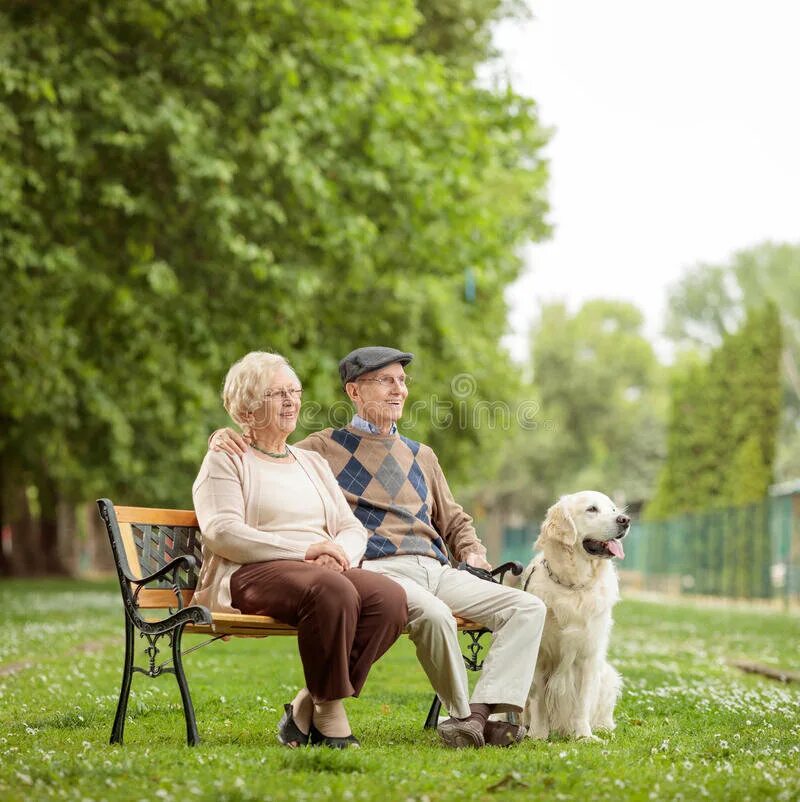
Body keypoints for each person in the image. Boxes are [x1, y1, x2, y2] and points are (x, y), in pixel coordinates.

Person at [211, 346, 546, 748]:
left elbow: (454, 519)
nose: (399, 390)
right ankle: (461, 718)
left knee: (527, 607)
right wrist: (225, 434)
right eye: (385, 380)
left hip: (436, 568)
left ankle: (477, 714)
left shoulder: (423, 455)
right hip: (379, 568)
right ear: (354, 392)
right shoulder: (322, 448)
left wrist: (472, 551)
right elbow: (269, 448)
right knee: (434, 616)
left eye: (402, 381)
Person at [193, 351, 407, 749]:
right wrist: (306, 550)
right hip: (253, 571)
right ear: (249, 404)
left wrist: (337, 552)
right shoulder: (226, 458)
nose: (292, 401)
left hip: (321, 569)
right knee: (333, 590)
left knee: (390, 598)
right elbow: (222, 532)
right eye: (278, 393)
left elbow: (350, 526)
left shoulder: (311, 462)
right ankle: (329, 713)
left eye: (295, 391)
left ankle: (307, 702)